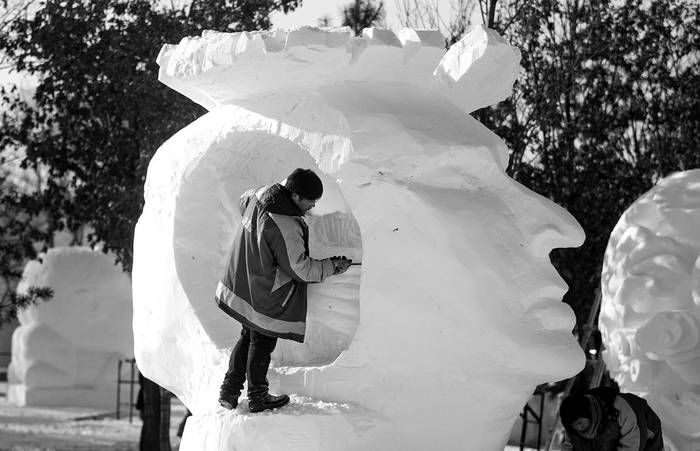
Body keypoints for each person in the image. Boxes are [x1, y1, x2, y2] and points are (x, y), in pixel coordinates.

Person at [215, 168, 352, 413]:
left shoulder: (262, 193)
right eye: (310, 200)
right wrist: (332, 265)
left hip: (246, 279)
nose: (312, 206)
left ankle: (229, 391)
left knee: (247, 335)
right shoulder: (286, 225)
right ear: (296, 195)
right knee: (262, 341)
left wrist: (259, 242)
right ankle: (258, 396)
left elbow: (242, 202)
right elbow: (301, 269)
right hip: (266, 290)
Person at [559, 387, 664, 451]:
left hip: (644, 433)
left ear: (588, 414)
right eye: (575, 427)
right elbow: (569, 445)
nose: (578, 428)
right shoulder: (573, 426)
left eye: (580, 423)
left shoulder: (619, 409)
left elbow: (631, 446)